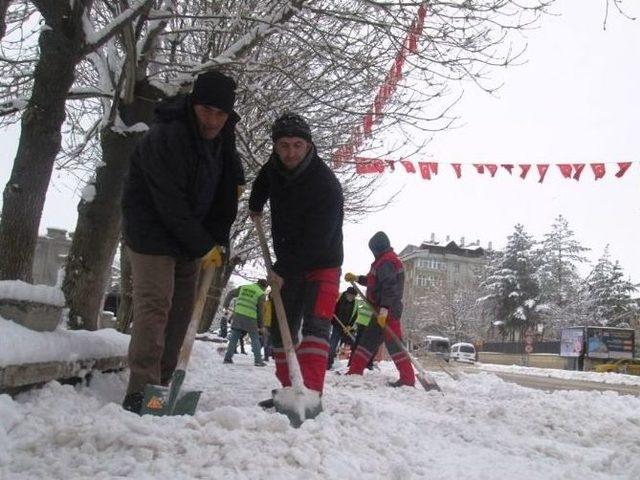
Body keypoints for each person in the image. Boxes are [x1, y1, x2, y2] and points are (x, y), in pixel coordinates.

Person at [120, 70, 244, 413]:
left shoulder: (222, 138)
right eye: (206, 110)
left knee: (182, 312)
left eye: (220, 114)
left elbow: (224, 195)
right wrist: (202, 243)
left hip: (190, 235)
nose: (212, 120)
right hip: (151, 231)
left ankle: (160, 388)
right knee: (156, 304)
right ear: (193, 104)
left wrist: (217, 240)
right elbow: (168, 203)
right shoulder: (167, 136)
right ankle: (138, 390)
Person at [249, 112, 344, 415]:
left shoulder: (325, 186)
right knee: (280, 326)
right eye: (284, 145)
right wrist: (255, 205)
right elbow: (263, 182)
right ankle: (290, 390)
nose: (291, 152)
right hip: (289, 257)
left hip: (322, 262)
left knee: (315, 330)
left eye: (298, 145)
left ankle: (310, 394)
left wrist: (281, 271)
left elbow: (315, 243)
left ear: (309, 145)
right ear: (276, 147)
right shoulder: (275, 168)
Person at [345, 231, 416, 387]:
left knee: (394, 344)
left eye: (373, 249)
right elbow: (374, 283)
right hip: (379, 310)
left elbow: (389, 288)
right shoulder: (382, 261)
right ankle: (354, 371)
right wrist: (357, 278)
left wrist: (384, 310)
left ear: (378, 248)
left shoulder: (388, 262)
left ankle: (408, 379)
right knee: (367, 341)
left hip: (388, 310)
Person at [222, 280, 268, 366]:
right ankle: (258, 361)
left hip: (238, 315)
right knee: (255, 338)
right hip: (251, 318)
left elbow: (230, 293)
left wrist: (226, 305)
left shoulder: (244, 287)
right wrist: (261, 326)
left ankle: (227, 358)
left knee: (234, 338)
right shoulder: (261, 294)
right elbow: (260, 311)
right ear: (264, 287)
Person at [327, 287, 357, 369]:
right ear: (347, 294)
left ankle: (352, 364)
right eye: (350, 295)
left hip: (347, 328)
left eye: (353, 296)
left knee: (353, 344)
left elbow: (355, 316)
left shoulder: (355, 304)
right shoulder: (340, 299)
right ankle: (328, 363)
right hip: (337, 325)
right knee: (333, 344)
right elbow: (333, 309)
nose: (351, 297)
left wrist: (350, 326)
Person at [348, 297, 375, 370]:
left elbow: (356, 314)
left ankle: (351, 362)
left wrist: (352, 325)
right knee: (369, 345)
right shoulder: (375, 303)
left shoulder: (362, 302)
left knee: (357, 344)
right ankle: (369, 363)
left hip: (361, 324)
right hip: (367, 326)